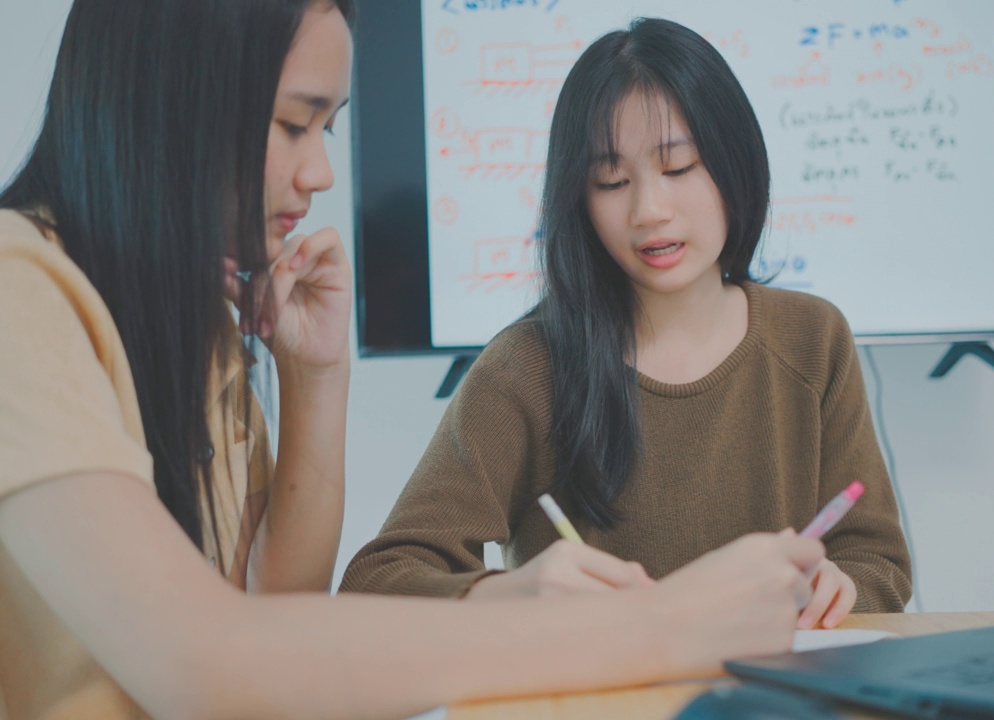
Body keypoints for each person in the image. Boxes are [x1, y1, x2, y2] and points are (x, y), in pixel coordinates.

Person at [0, 2, 826, 717]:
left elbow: (278, 623)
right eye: (294, 123)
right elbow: (202, 663)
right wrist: (652, 628)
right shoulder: (17, 290)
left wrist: (316, 378)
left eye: (329, 127)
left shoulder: (188, 320)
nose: (321, 171)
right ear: (166, 99)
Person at [341, 17, 913, 626]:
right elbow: (377, 581)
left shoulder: (813, 340)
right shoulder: (527, 366)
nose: (649, 211)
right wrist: (509, 595)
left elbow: (875, 560)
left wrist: (840, 585)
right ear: (578, 199)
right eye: (610, 180)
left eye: (679, 168)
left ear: (735, 164)